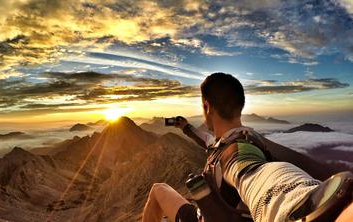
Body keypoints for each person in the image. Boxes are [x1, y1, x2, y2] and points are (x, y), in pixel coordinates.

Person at [141, 73, 353, 222]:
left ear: (206, 106)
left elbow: (250, 171)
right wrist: (185, 127)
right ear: (239, 106)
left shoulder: (236, 152)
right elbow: (209, 142)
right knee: (161, 189)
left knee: (158, 190)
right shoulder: (235, 140)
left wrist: (300, 203)